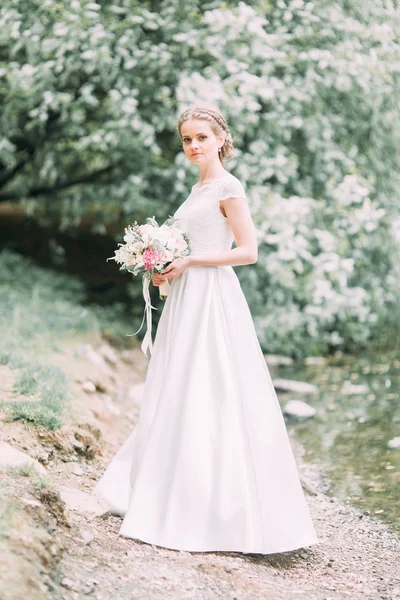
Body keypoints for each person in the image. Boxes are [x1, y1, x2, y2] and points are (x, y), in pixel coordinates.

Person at [94, 105, 318, 554]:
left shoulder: (229, 187)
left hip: (213, 298)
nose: (194, 146)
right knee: (180, 386)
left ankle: (219, 509)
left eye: (201, 137)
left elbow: (248, 251)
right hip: (186, 298)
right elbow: (187, 246)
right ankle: (172, 493)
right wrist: (162, 269)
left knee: (211, 386)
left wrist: (193, 260)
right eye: (186, 140)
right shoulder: (197, 188)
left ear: (221, 139)